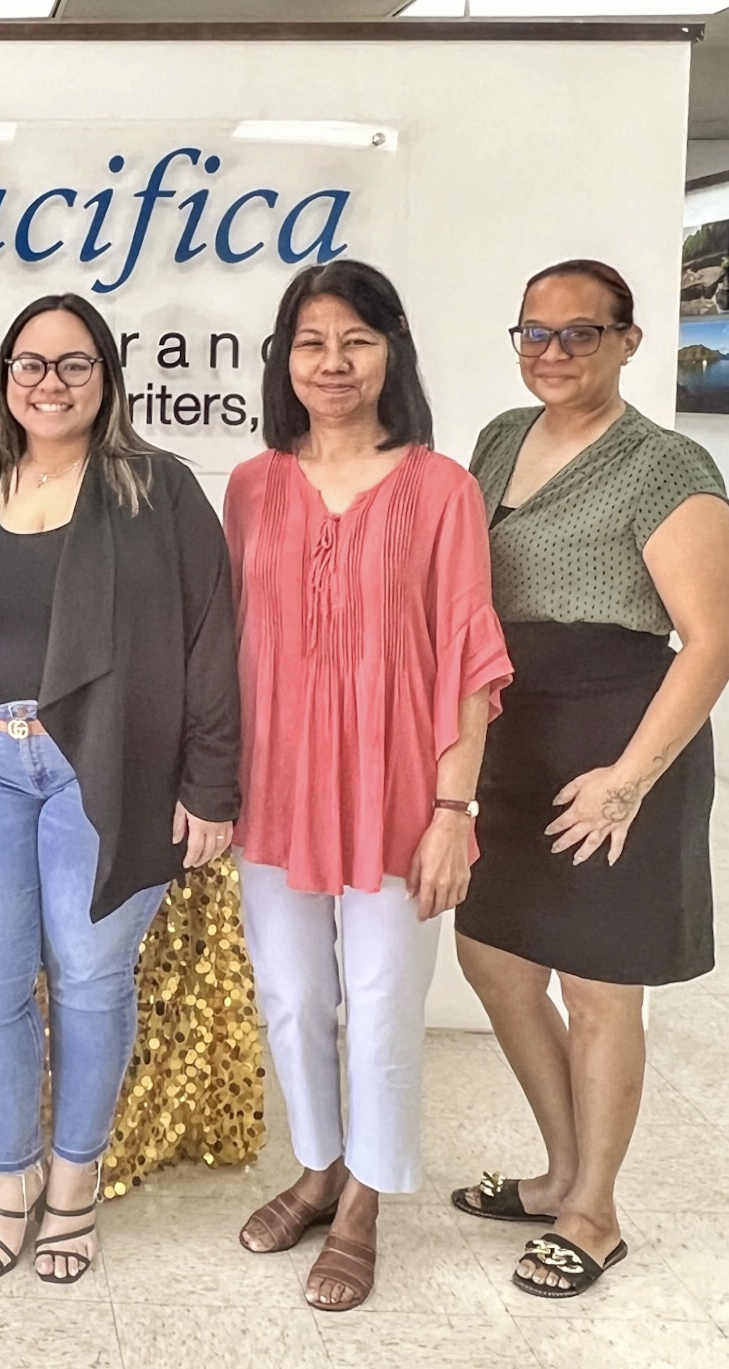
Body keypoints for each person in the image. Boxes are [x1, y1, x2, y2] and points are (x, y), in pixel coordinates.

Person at [0, 294, 240, 1285]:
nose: (48, 383)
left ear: (106, 378)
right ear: (1, 376)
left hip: (109, 768)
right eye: (28, 364)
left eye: (72, 364)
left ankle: (73, 1182)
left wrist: (211, 785)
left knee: (91, 981)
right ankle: (10, 1180)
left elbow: (209, 638)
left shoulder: (155, 490)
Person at [224, 260, 512, 1312]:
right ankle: (315, 1166)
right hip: (274, 789)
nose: (331, 361)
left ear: (390, 350)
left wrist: (453, 811)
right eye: (310, 341)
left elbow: (466, 658)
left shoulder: (440, 486)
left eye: (354, 339)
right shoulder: (251, 485)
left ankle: (364, 1202)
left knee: (383, 1004)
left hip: (401, 794)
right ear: (283, 358)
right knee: (294, 999)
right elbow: (229, 649)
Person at [451, 260, 729, 1299]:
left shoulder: (666, 468)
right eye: (532, 332)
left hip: (618, 737)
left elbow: (708, 640)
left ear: (627, 341)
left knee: (599, 983)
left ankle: (594, 1211)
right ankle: (558, 1170)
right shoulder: (494, 439)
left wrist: (625, 779)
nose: (550, 352)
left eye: (577, 333)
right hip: (512, 734)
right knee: (491, 956)